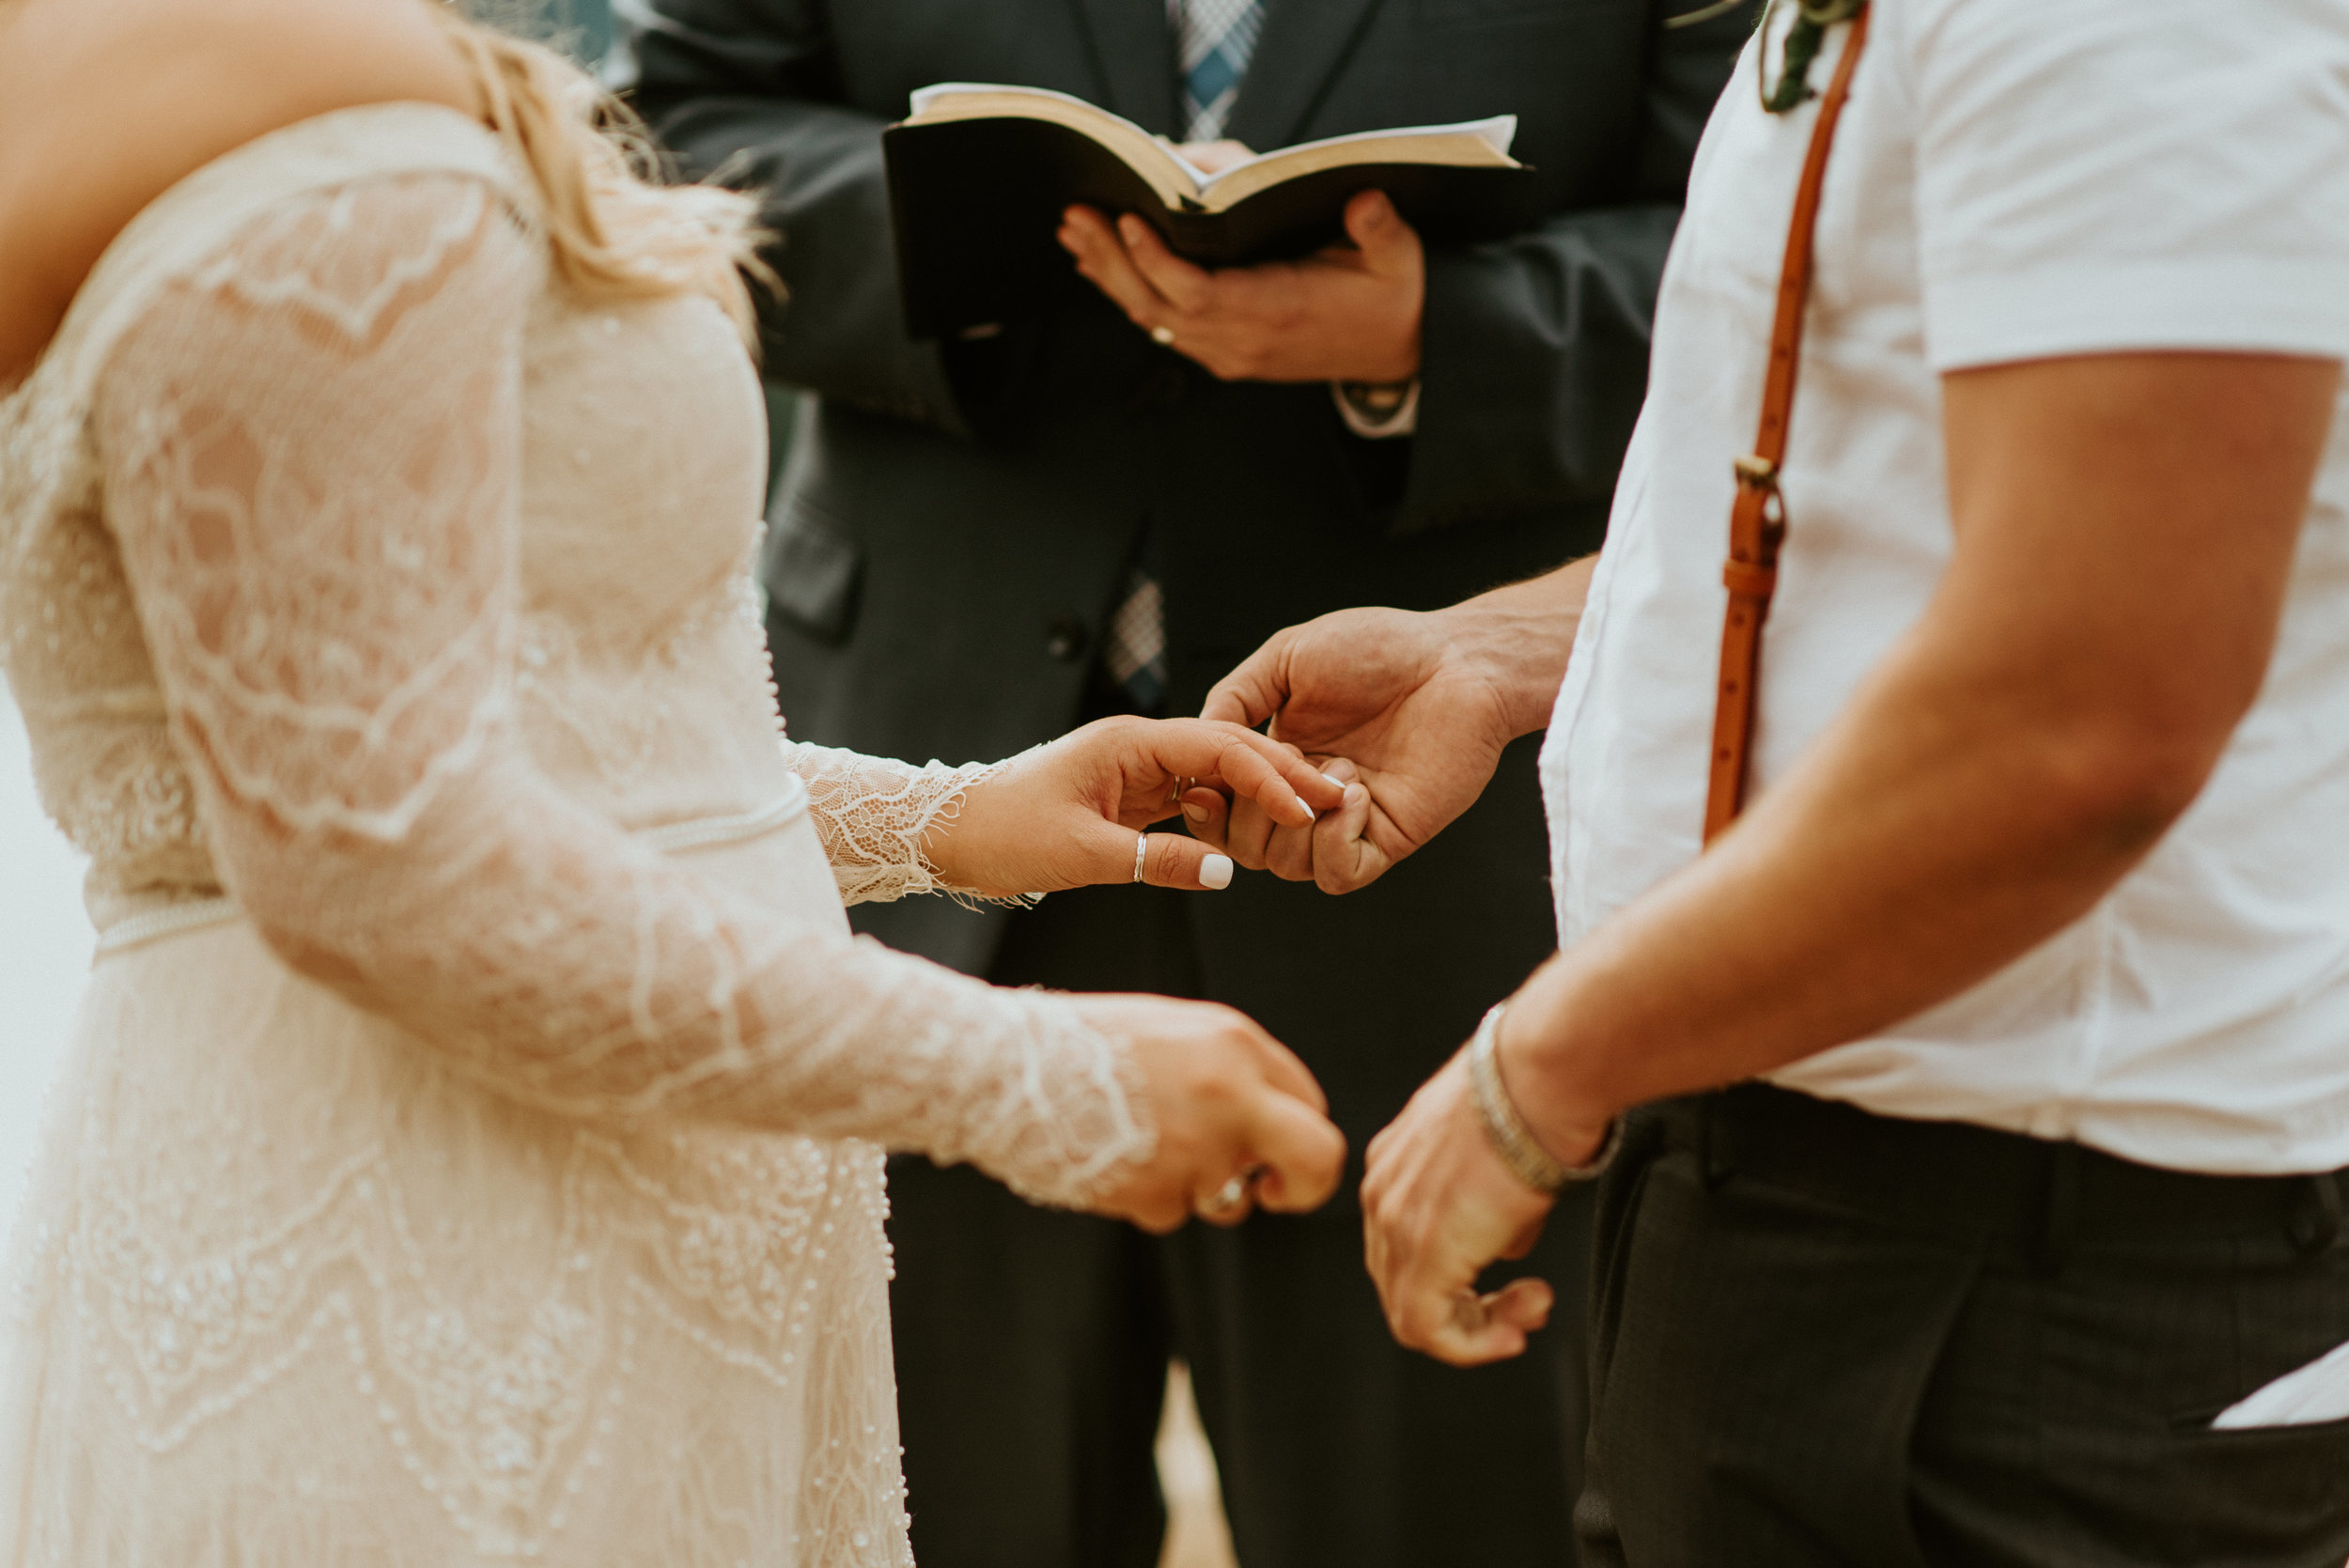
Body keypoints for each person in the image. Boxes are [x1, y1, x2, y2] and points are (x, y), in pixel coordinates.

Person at [0, 0, 1352, 1560]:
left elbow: (434, 743)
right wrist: (1043, 1082)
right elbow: (384, 860)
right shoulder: (275, 95)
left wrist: (947, 819)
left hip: (572, 1270)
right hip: (433, 1289)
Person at [1206, 0, 2349, 1560]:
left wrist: (1537, 1070)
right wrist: (1504, 651)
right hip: (1833, 1207)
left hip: (2018, 1286)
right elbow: (1884, 515)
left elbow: (2085, 712)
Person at [623, 4, 1748, 1563]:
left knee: (1440, 1513)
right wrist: (1004, 255)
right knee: (938, 1507)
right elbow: (673, 141)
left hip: (1418, 829)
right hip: (936, 814)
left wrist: (1444, 331)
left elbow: (1784, 253)